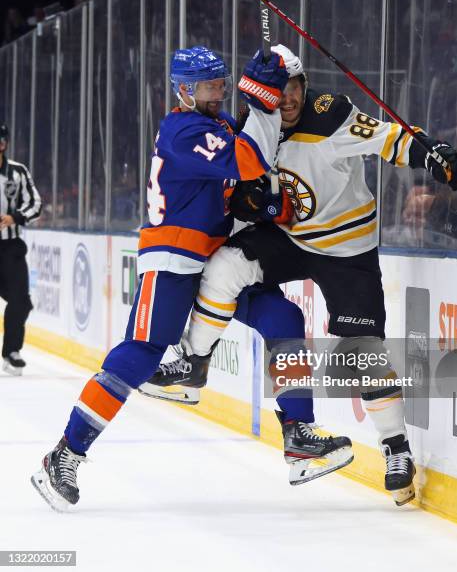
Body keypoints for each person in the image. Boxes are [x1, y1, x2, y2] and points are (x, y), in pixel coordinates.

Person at [30, 45, 349, 511]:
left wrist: (260, 196)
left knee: (283, 317)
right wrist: (262, 98)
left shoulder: (214, 125)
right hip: (175, 256)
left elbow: (249, 168)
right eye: (207, 87)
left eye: (221, 84)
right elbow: (249, 161)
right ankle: (65, 454)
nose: (217, 93)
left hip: (217, 258)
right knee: (138, 354)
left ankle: (299, 435)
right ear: (183, 91)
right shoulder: (182, 130)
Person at [147, 44, 457, 506]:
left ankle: (396, 449)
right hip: (292, 239)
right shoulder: (257, 123)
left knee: (362, 352)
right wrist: (250, 202)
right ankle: (192, 363)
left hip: (346, 249)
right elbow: (236, 183)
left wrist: (433, 155)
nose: (289, 99)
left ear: (304, 85)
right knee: (224, 267)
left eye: (295, 87)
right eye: (280, 90)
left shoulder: (330, 114)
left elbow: (387, 139)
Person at [0, 124, 41, 376]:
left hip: (11, 248)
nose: (0, 142)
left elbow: (35, 203)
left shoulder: (17, 171)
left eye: (3, 137)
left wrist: (15, 217)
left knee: (21, 301)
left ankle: (11, 351)